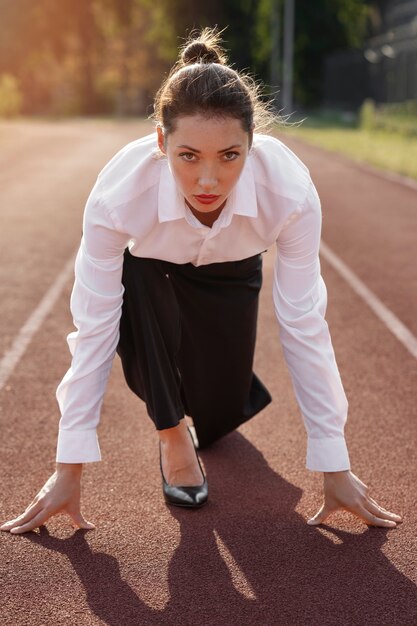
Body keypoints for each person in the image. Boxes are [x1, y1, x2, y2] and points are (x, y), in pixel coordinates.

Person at [1, 28, 402, 534]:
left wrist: (334, 463)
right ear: (161, 142)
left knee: (220, 416)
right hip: (151, 271)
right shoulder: (118, 197)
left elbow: (304, 322)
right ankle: (171, 432)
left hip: (234, 272)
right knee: (135, 275)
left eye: (229, 156)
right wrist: (68, 467)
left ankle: (203, 410)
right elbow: (95, 327)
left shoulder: (291, 192)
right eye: (188, 156)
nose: (208, 181)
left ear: (253, 147)